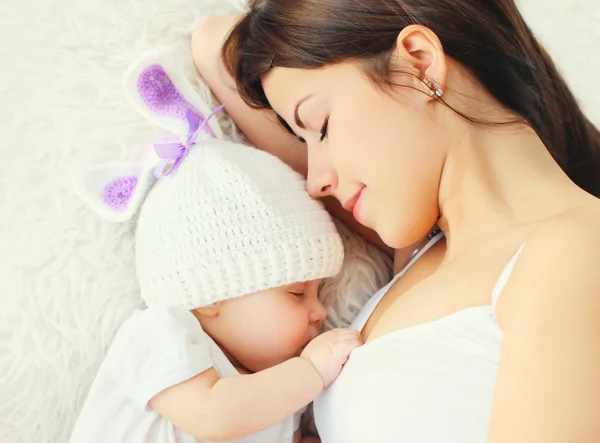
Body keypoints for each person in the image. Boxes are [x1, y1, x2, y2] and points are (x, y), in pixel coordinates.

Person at [191, 1, 600, 442]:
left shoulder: (573, 249)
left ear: (419, 64)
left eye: (321, 126)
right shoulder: (425, 248)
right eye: (303, 139)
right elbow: (213, 44)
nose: (314, 181)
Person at [69, 52, 362, 443]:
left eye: (316, 292)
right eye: (296, 293)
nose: (320, 311)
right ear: (210, 295)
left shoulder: (275, 393)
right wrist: (312, 371)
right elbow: (215, 418)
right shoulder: (161, 334)